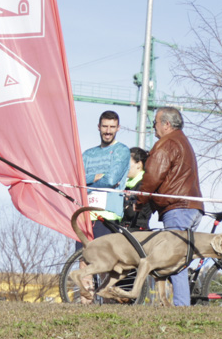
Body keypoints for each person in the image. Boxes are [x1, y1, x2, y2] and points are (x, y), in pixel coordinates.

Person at [135, 107, 204, 306]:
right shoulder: (183, 141)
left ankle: (181, 306)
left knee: (175, 260)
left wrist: (139, 201)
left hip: (178, 208)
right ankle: (179, 301)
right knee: (181, 257)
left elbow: (153, 177)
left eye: (155, 122)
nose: (152, 126)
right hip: (192, 207)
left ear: (166, 124)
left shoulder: (166, 143)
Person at [81, 111, 131, 239]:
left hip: (107, 216)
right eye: (105, 126)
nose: (108, 131)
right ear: (99, 127)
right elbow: (77, 180)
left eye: (112, 127)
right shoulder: (88, 154)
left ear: (118, 128)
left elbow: (111, 180)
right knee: (82, 258)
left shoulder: (121, 150)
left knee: (101, 259)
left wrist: (88, 185)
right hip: (84, 215)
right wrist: (95, 177)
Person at [120, 147, 152, 231]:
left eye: (127, 162)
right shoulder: (128, 186)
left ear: (139, 164)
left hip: (138, 231)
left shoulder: (144, 185)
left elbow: (133, 213)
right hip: (126, 229)